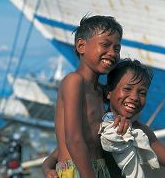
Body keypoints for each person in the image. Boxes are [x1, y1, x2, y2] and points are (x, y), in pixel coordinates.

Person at [53, 15, 129, 178]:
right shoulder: (74, 81)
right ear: (81, 46)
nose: (112, 53)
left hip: (100, 170)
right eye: (105, 45)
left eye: (117, 49)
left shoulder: (101, 92)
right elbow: (73, 139)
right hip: (77, 171)